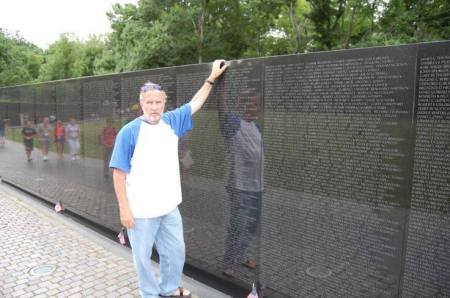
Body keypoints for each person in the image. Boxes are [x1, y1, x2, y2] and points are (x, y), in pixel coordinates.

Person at [110, 59, 228, 298]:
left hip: (169, 207)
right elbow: (118, 173)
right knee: (142, 258)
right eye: (149, 102)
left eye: (159, 102)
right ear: (141, 103)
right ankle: (150, 294)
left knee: (175, 252)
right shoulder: (129, 132)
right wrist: (124, 209)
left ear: (164, 102)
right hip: (141, 211)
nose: (154, 107)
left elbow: (195, 103)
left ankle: (168, 289)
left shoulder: (171, 121)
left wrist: (212, 78)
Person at [218, 89, 264, 279]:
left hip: (257, 187)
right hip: (240, 186)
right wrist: (221, 87)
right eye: (248, 103)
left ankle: (242, 255)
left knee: (251, 227)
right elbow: (222, 111)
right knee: (238, 225)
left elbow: (261, 156)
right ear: (240, 103)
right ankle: (229, 263)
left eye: (256, 104)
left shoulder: (257, 127)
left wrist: (263, 181)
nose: (252, 107)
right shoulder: (235, 123)